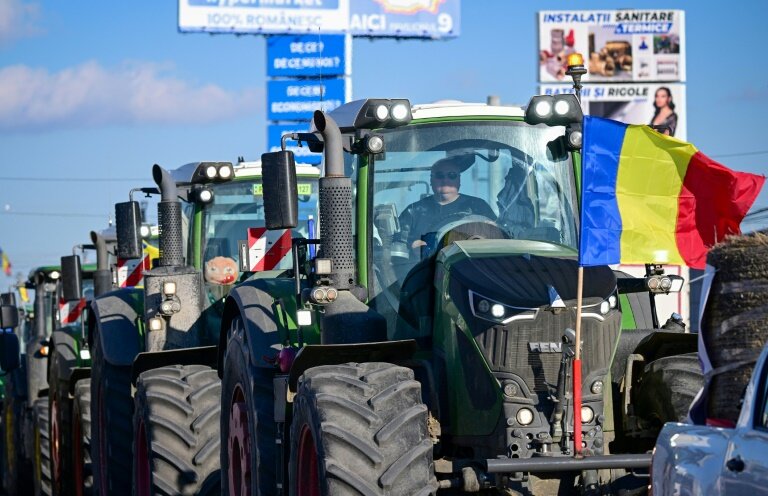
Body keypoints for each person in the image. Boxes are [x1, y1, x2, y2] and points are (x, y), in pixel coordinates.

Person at [396, 156, 496, 251]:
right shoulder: (413, 212)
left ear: (459, 180)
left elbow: (497, 238)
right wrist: (412, 247)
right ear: (431, 180)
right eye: (440, 175)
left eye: (451, 175)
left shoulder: (478, 207)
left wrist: (491, 230)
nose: (445, 180)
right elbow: (397, 246)